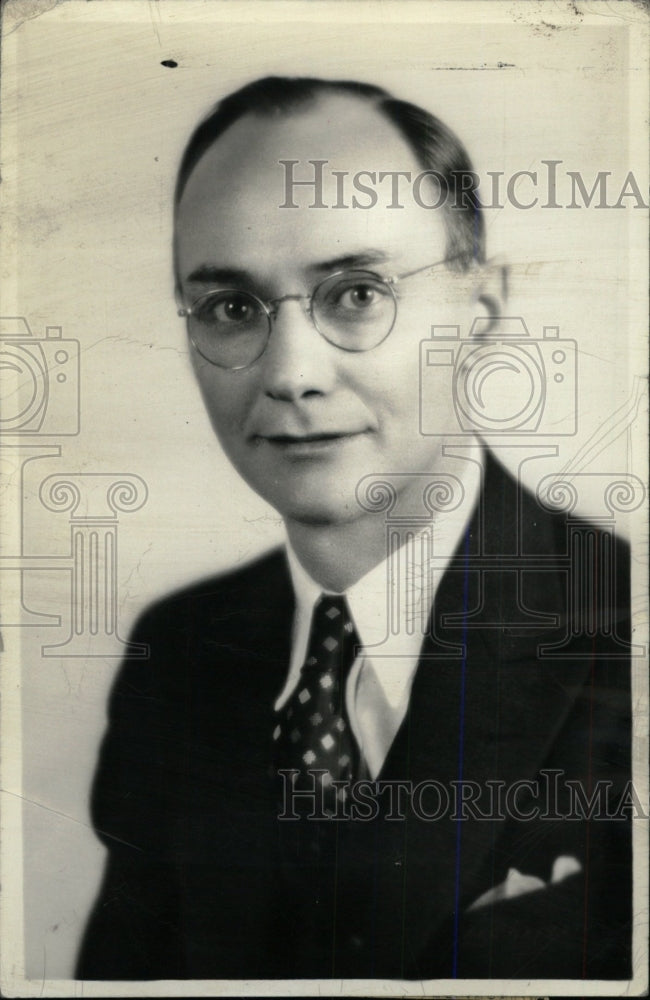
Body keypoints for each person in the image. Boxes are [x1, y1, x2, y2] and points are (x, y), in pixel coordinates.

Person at [76, 76, 632, 981]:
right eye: (230, 308)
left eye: (358, 294)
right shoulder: (177, 655)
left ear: (478, 315)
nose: (290, 373)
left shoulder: (624, 623)